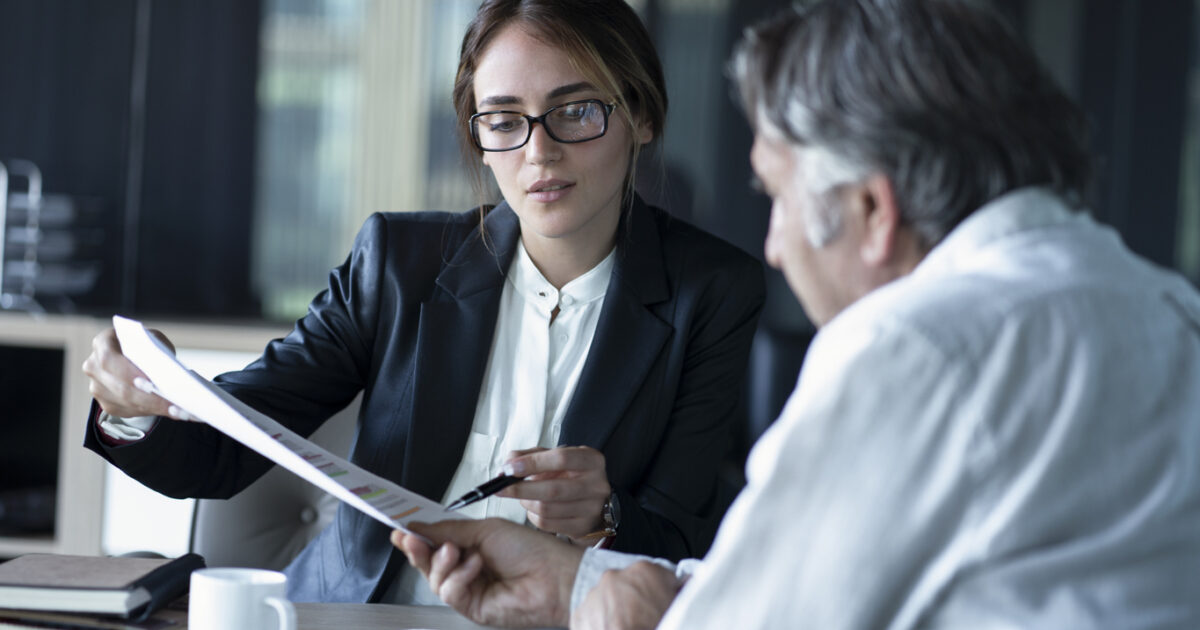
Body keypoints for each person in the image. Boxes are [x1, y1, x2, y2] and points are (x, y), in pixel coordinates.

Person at [390, 0, 1200, 628]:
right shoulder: (1162, 307)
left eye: (777, 197)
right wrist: (574, 582)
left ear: (873, 210)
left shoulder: (915, 347)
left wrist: (607, 604)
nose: (773, 247)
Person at [81, 0, 765, 605]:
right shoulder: (397, 264)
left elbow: (685, 545)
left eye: (576, 111)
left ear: (640, 116)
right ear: (478, 137)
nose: (540, 152)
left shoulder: (713, 292)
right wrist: (132, 404)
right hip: (355, 618)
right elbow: (224, 451)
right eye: (504, 120)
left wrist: (603, 515)